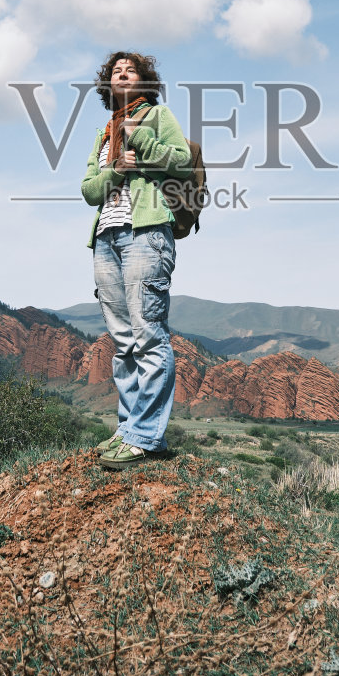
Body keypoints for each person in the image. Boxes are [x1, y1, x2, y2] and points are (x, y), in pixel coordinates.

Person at [81, 51, 193, 470]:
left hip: (146, 233)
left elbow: (180, 161)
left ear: (144, 81)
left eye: (130, 70)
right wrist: (116, 169)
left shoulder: (156, 116)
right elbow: (90, 190)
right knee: (123, 344)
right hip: (106, 237)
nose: (121, 74)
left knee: (149, 335)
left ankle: (145, 436)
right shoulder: (103, 133)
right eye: (115, 71)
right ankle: (128, 431)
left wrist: (139, 141)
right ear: (107, 85)